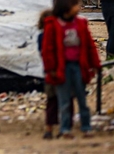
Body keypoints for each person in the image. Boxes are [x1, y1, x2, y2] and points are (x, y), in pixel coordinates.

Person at [42, 0, 101, 139]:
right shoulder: (53, 26)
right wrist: (51, 69)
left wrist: (94, 64)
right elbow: (47, 49)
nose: (79, 7)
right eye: (76, 4)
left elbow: (89, 45)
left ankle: (86, 127)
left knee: (82, 98)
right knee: (64, 100)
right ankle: (65, 129)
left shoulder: (80, 24)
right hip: (62, 68)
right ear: (67, 7)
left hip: (78, 66)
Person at [38, 9, 72, 139]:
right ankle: (65, 128)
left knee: (52, 102)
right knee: (65, 101)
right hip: (61, 72)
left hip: (50, 73)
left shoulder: (42, 36)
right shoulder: (59, 34)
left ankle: (50, 128)